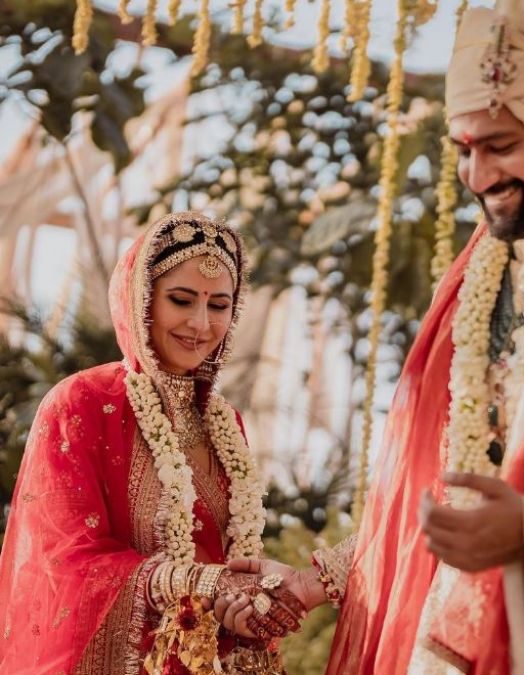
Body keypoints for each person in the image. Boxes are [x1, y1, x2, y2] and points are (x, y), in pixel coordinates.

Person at [229, 1, 524, 673]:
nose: (476, 174)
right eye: (464, 149)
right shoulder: (479, 274)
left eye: (500, 146)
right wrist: (321, 577)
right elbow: (427, 493)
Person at [0, 212, 306, 674]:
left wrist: (244, 599)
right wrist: (201, 584)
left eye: (219, 306)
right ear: (141, 299)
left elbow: (225, 556)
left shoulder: (226, 424)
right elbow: (62, 560)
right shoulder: (82, 403)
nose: (200, 324)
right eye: (181, 300)